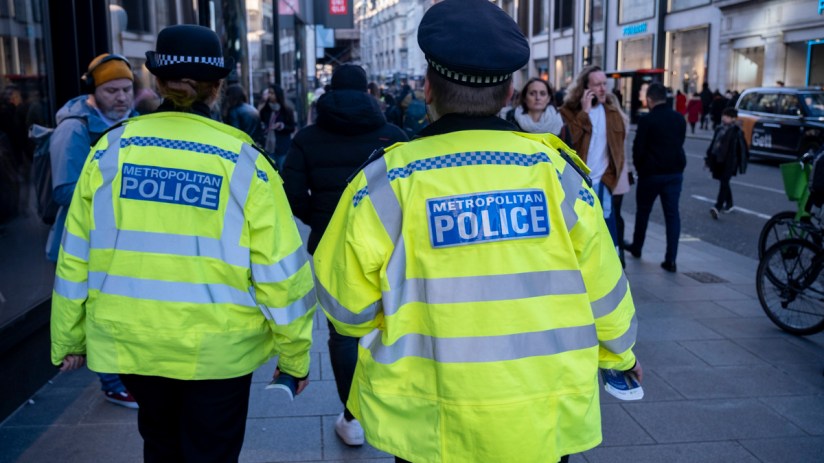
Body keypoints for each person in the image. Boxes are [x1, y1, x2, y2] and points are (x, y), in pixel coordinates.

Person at [313, 1, 642, 462]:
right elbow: (605, 288)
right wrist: (620, 357)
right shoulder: (558, 175)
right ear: (509, 92)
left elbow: (344, 308)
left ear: (428, 89)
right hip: (540, 414)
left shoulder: (386, 182)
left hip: (429, 419)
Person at [50, 24, 316, 462]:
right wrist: (295, 355)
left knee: (160, 443)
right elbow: (281, 272)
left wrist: (68, 337)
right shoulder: (243, 160)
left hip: (135, 343)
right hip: (219, 351)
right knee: (211, 451)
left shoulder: (111, 152)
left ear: (156, 83)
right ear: (217, 89)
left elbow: (75, 253)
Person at [281, 64, 407, 446]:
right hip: (389, 244)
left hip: (330, 248)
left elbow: (289, 192)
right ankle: (391, 403)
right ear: (369, 91)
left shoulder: (307, 138)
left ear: (330, 91)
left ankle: (352, 417)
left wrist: (323, 220)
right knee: (390, 324)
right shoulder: (394, 135)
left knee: (342, 331)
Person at [47, 52, 140, 408]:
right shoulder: (74, 128)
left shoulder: (132, 122)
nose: (121, 98)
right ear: (94, 91)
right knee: (100, 312)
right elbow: (64, 191)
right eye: (112, 90)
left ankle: (122, 376)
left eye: (127, 89)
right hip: (84, 241)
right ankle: (113, 382)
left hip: (121, 238)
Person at [559, 65, 627, 247]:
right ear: (585, 88)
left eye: (605, 84)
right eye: (597, 85)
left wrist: (609, 179)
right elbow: (566, 142)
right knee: (580, 232)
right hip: (578, 182)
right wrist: (584, 113)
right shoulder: (567, 112)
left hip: (603, 182)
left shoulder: (612, 113)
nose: (603, 89)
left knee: (608, 232)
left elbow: (619, 150)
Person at [625, 82, 687, 273]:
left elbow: (638, 148)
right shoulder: (679, 118)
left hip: (651, 174)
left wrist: (640, 167)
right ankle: (671, 259)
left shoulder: (647, 120)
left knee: (643, 212)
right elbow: (680, 141)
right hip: (674, 173)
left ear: (649, 100)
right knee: (672, 215)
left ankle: (637, 246)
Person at [706, 107, 749, 218]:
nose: (724, 117)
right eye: (724, 115)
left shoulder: (736, 131)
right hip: (719, 159)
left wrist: (741, 164)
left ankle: (717, 206)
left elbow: (742, 149)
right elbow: (713, 144)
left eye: (727, 116)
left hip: (730, 161)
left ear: (733, 119)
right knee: (723, 181)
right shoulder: (719, 128)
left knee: (724, 182)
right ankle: (729, 204)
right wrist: (709, 157)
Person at [258, 83, 296, 170]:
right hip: (268, 146)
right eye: (269, 93)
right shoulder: (265, 110)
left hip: (282, 147)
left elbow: (292, 127)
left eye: (272, 93)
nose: (270, 95)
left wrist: (282, 126)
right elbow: (261, 125)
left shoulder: (287, 111)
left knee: (282, 170)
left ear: (278, 94)